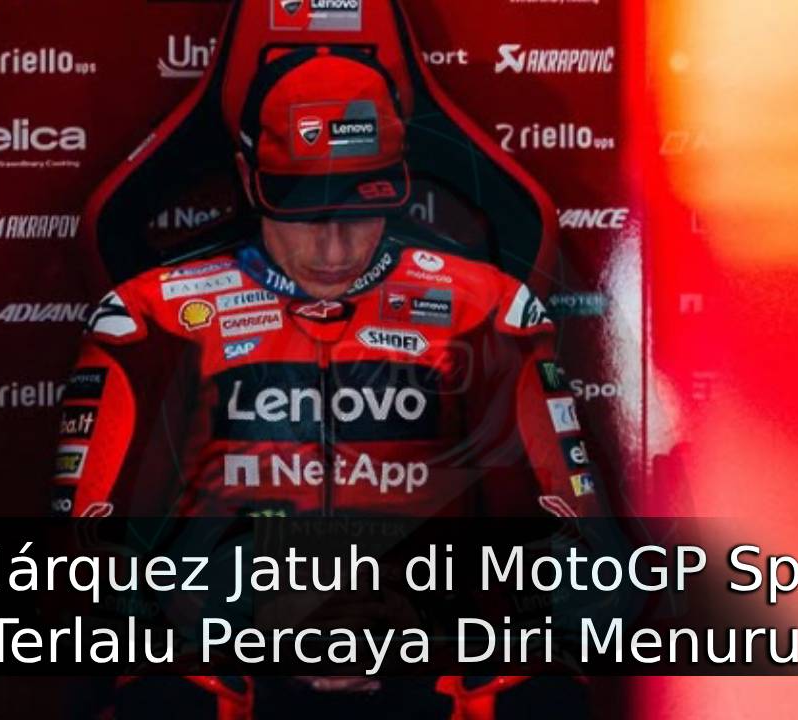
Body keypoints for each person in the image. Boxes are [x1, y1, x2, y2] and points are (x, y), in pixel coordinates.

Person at [52, 46, 600, 719]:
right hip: (228, 667)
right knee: (163, 697)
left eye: (360, 210)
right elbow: (85, 556)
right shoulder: (153, 319)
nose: (334, 249)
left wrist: (416, 618)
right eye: (305, 214)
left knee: (537, 692)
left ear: (398, 180)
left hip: (426, 667)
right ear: (249, 178)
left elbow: (574, 546)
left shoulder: (487, 312)